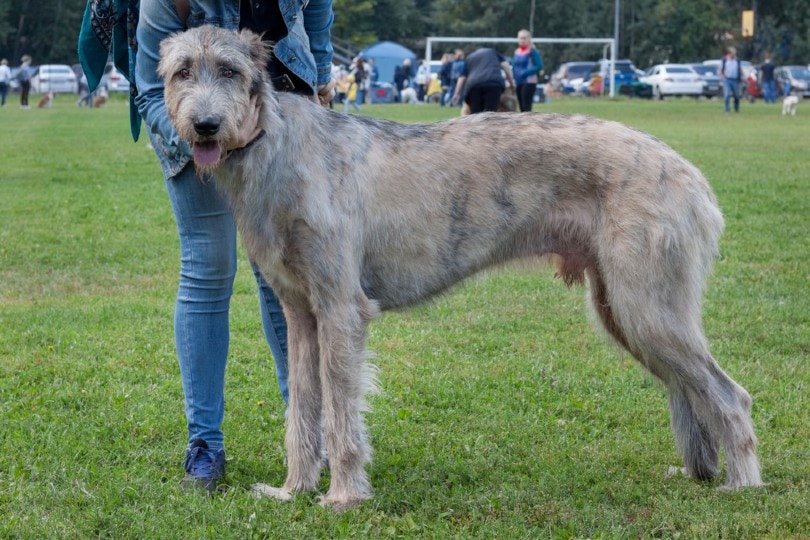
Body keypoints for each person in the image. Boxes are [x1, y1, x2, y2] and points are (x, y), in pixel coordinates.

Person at [79, 0, 336, 494]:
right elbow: (151, 91)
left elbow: (317, 17)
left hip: (282, 109)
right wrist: (200, 139)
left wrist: (320, 74)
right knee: (207, 269)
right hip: (191, 135)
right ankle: (204, 445)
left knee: (282, 279)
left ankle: (310, 438)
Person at [452, 47, 515, 114]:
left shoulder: (469, 57)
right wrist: (512, 83)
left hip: (474, 85)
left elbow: (462, 77)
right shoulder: (493, 52)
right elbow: (506, 66)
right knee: (490, 113)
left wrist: (456, 93)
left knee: (476, 114)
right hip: (493, 83)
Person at [511, 29, 544, 112]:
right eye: (520, 38)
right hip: (518, 81)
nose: (522, 40)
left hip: (529, 81)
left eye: (524, 38)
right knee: (521, 106)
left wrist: (526, 72)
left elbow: (539, 66)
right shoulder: (516, 52)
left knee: (526, 106)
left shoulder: (532, 51)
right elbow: (514, 66)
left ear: (528, 39)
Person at [720, 46, 742, 113]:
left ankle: (736, 108)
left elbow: (739, 69)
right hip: (727, 79)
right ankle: (727, 109)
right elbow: (721, 70)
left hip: (735, 80)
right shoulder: (724, 60)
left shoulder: (737, 60)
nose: (734, 54)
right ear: (729, 53)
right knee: (727, 95)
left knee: (736, 96)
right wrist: (722, 77)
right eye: (733, 53)